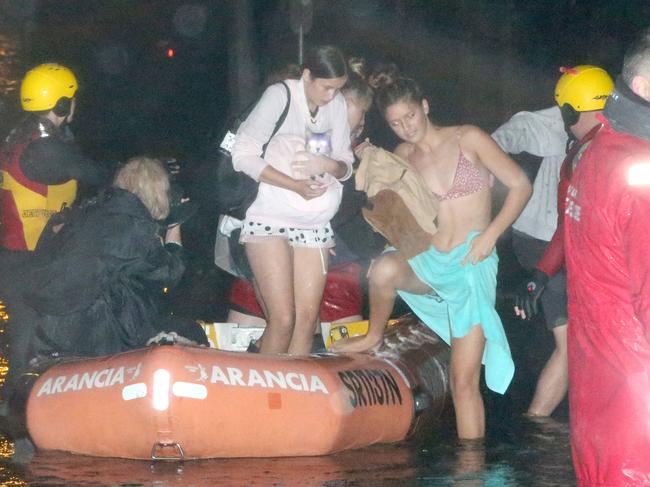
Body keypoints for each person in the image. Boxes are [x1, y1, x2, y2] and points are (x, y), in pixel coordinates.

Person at [331, 76, 532, 439]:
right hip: (430, 259)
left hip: (472, 260)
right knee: (383, 270)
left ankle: (471, 472)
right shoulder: (401, 156)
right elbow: (386, 208)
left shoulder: (467, 138)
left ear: (424, 106)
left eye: (410, 116)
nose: (405, 127)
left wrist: (490, 236)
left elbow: (520, 185)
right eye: (395, 122)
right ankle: (373, 335)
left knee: (462, 382)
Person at [1, 156, 207, 406]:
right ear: (156, 192)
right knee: (191, 332)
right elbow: (169, 274)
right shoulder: (132, 226)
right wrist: (174, 225)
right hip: (92, 331)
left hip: (49, 323)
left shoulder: (87, 212)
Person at [226, 57, 381, 337]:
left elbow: (330, 188)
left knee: (307, 315)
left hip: (324, 245)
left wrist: (341, 168)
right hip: (263, 228)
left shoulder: (353, 149)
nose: (350, 133)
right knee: (281, 317)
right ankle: (266, 366)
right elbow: (253, 165)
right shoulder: (292, 123)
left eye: (356, 128)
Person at [493, 65, 614, 417]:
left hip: (584, 252)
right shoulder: (560, 138)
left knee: (585, 343)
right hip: (541, 241)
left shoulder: (620, 138)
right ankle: (537, 424)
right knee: (571, 343)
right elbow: (509, 134)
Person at [564, 29, 650, 486]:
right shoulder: (641, 172)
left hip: (598, 390)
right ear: (643, 88)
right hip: (638, 391)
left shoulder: (595, 151)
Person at [0, 63, 110, 251]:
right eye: (72, 99)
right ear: (62, 105)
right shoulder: (47, 149)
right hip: (32, 258)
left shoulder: (22, 135)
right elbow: (100, 175)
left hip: (14, 250)